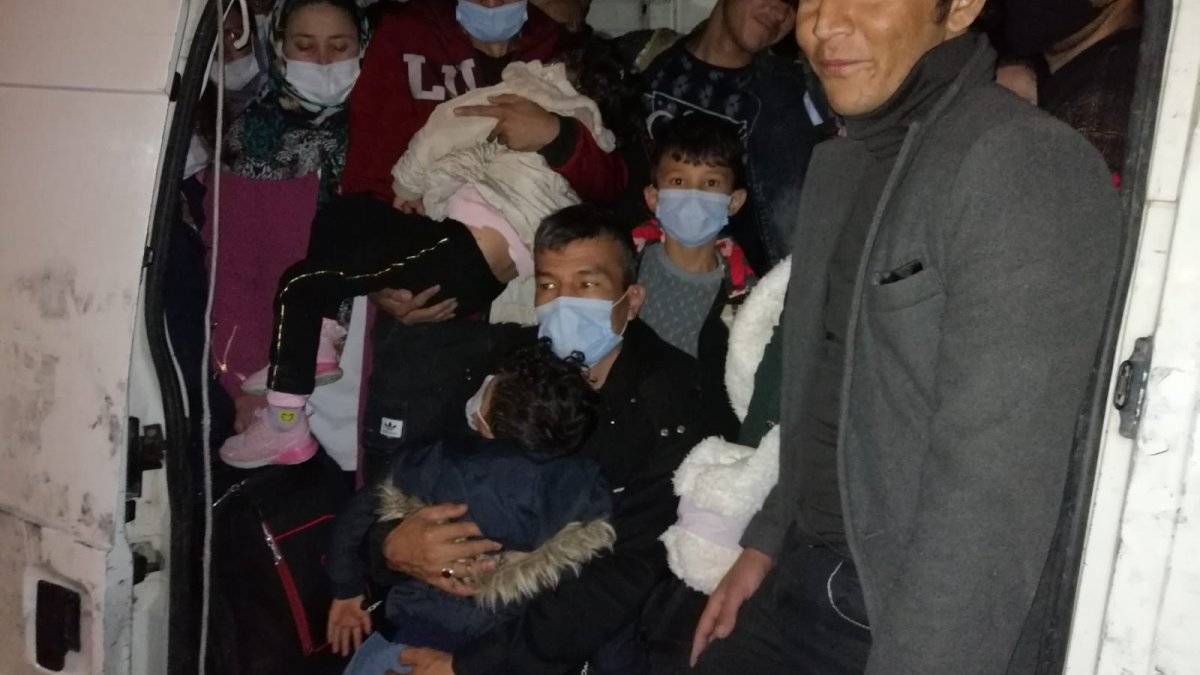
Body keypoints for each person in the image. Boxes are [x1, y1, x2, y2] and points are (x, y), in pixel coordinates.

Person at [689, 0, 1122, 673]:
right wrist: (765, 541)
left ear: (961, 7)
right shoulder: (841, 164)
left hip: (897, 613)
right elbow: (819, 389)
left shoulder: (1019, 162)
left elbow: (992, 506)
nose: (824, 24)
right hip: (799, 570)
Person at [215, 51, 619, 468]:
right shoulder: (583, 147)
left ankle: (284, 422)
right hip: (469, 269)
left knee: (301, 284)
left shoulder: (530, 95)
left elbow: (451, 123)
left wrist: (407, 185)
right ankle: (318, 340)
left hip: (456, 254)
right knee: (345, 214)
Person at [377, 205, 708, 675]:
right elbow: (417, 466)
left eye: (587, 285)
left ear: (632, 299)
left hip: (555, 651)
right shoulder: (504, 362)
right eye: (549, 285)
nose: (563, 302)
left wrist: (473, 666)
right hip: (437, 608)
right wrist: (390, 545)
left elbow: (629, 569)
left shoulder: (674, 398)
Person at [341, 0, 629, 479]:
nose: (493, 3)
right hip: (425, 313)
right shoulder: (404, 35)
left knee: (516, 480)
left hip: (527, 317)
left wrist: (558, 136)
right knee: (404, 479)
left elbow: (616, 183)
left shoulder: (561, 49)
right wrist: (376, 278)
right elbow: (364, 180)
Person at [325, 342, 612, 674]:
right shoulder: (586, 491)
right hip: (492, 658)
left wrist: (346, 588)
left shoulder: (434, 462)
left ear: (486, 423)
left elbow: (359, 514)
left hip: (408, 642)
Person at [616, 0, 828, 273]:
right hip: (629, 277)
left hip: (742, 287)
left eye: (794, 5)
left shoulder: (797, 98)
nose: (779, 12)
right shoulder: (635, 61)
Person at [635, 113, 754, 442]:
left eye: (711, 183)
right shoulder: (622, 267)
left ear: (734, 201)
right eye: (678, 181)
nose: (693, 194)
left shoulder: (748, 301)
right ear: (653, 197)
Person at [223, 0, 366, 206]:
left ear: (362, 46)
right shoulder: (246, 140)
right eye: (305, 46)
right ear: (279, 48)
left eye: (339, 47)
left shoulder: (387, 128)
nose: (323, 61)